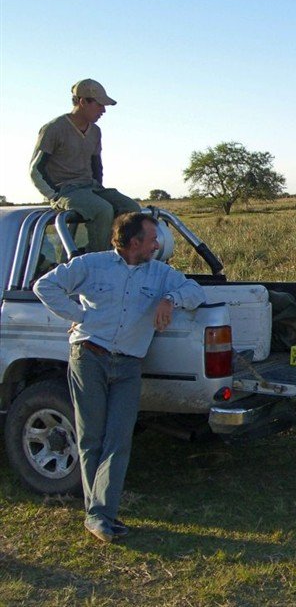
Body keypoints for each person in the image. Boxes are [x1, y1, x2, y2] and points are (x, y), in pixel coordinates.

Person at [34, 212, 205, 542]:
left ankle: (101, 514)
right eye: (152, 240)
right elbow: (45, 285)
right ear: (134, 242)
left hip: (128, 365)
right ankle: (98, 515)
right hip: (89, 357)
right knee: (91, 437)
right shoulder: (92, 265)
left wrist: (169, 299)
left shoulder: (160, 273)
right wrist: (80, 315)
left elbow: (194, 291)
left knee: (118, 439)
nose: (157, 246)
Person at [30, 79, 140, 252]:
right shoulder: (54, 128)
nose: (103, 110)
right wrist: (54, 195)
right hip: (66, 190)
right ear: (82, 102)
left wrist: (98, 190)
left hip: (91, 187)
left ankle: (120, 256)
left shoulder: (95, 131)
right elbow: (35, 169)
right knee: (102, 210)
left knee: (132, 208)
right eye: (99, 105)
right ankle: (97, 260)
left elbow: (97, 166)